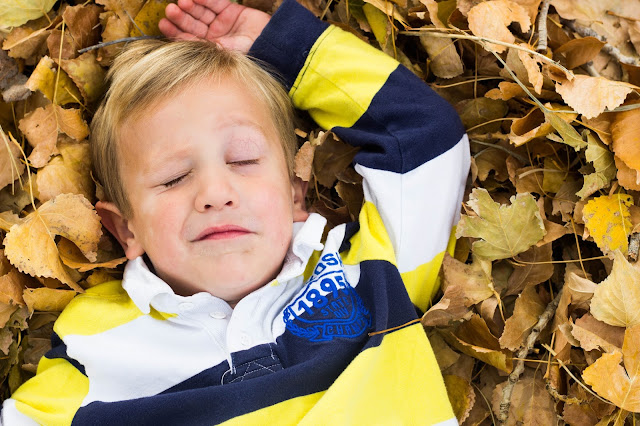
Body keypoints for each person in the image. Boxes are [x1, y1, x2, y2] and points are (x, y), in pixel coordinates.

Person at [1, 0, 469, 423]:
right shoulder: (95, 344)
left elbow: (424, 137)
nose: (215, 192)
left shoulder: (372, 273)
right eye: (173, 177)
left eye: (243, 160)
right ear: (126, 230)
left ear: (294, 195)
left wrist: (285, 49)